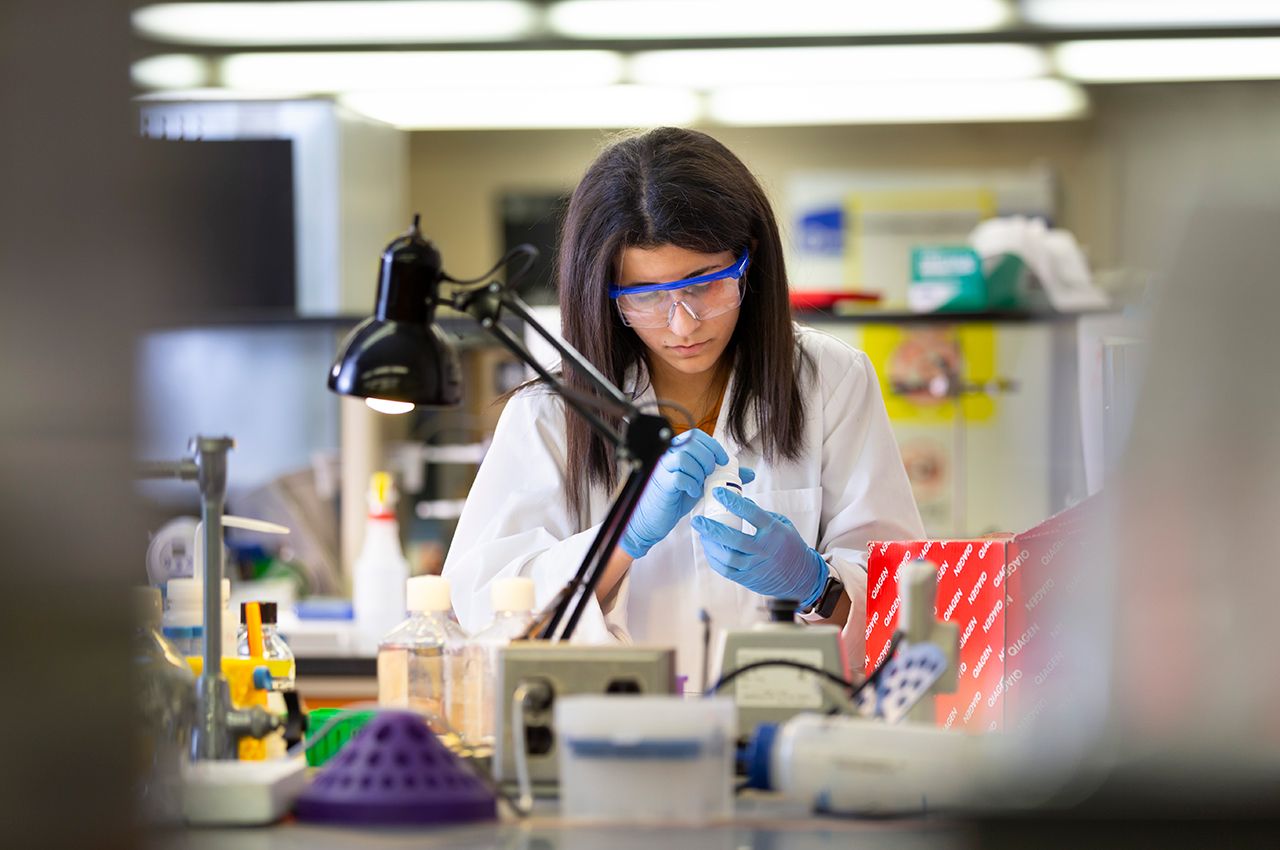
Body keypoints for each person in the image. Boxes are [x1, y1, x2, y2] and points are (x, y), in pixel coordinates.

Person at [443, 127, 923, 686]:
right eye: (645, 295)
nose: (683, 323)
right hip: (614, 738)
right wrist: (619, 541)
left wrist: (819, 585)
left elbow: (913, 604)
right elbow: (487, 617)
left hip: (795, 737)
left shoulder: (830, 380)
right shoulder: (548, 415)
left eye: (705, 283)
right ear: (601, 293)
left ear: (751, 262)